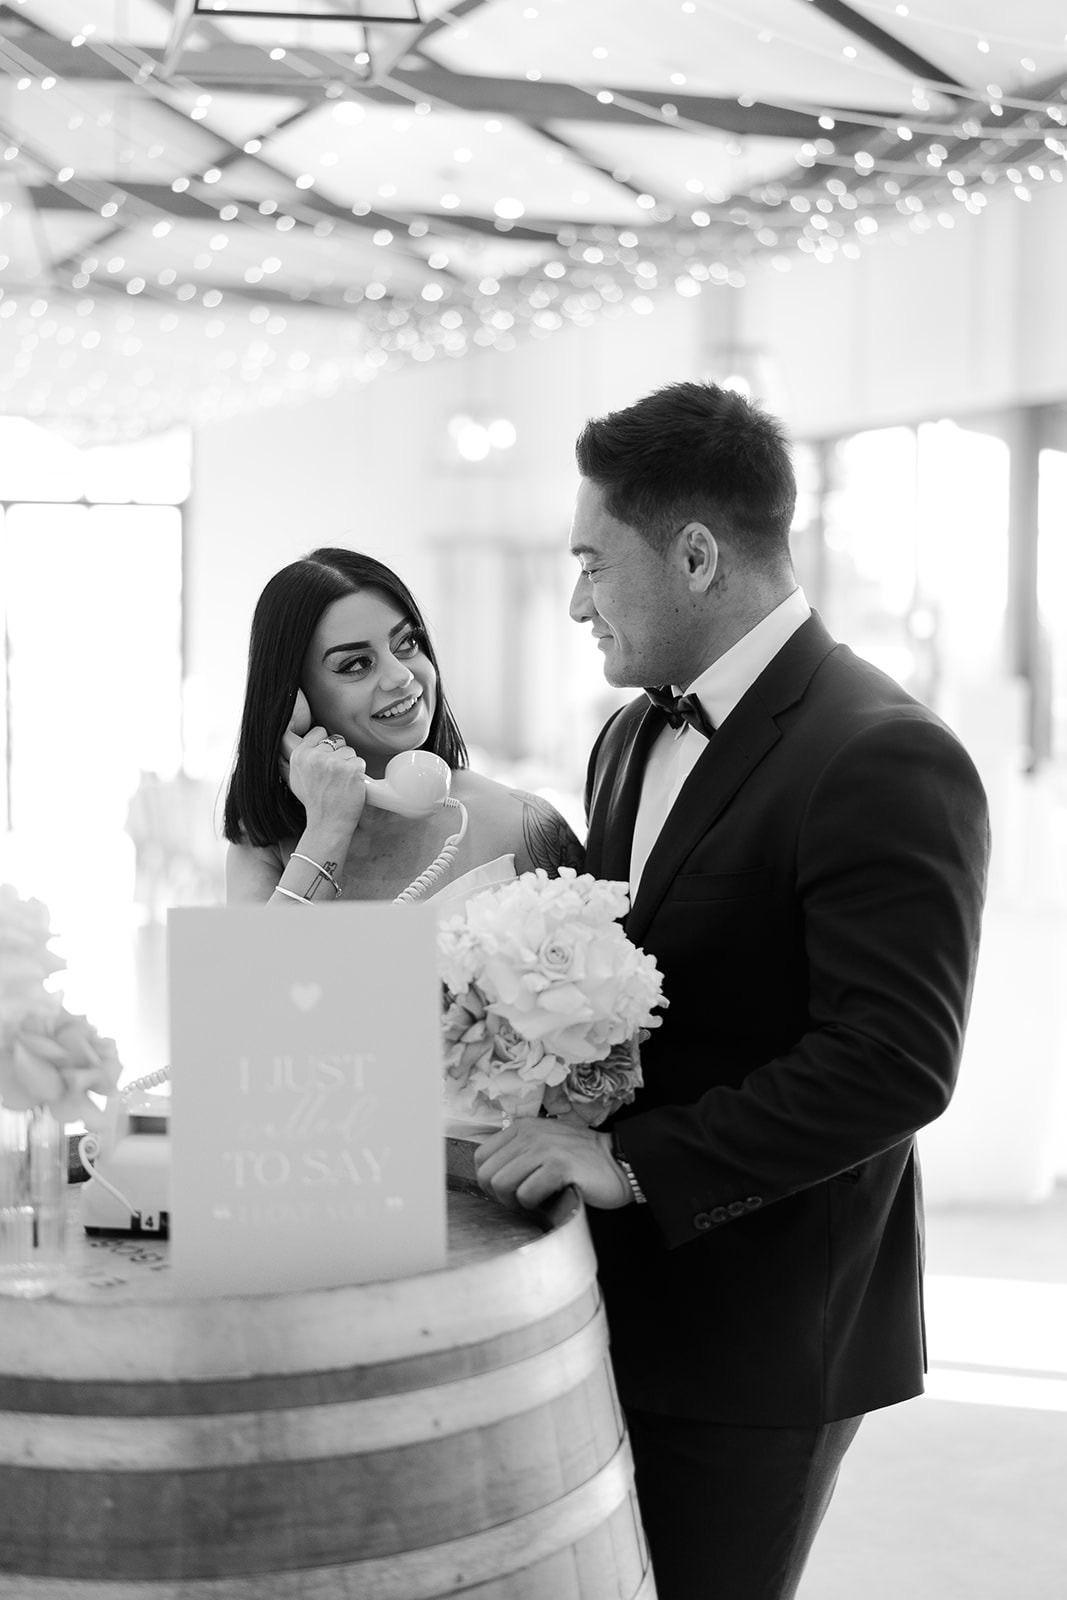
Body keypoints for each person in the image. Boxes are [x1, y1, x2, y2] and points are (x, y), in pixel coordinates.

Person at [474, 381, 991, 1600]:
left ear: (696, 555)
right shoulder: (622, 739)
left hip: (762, 1331)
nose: (575, 601)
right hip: (609, 1302)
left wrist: (636, 1161)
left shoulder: (882, 750)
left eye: (592, 563)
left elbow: (891, 1064)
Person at [224, 547, 582, 908]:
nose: (401, 675)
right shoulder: (261, 849)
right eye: (356, 664)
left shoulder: (524, 823)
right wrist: (327, 829)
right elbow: (269, 949)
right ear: (294, 700)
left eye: (407, 643)